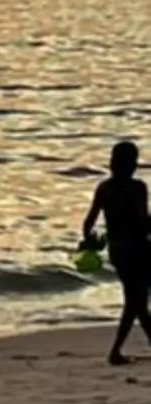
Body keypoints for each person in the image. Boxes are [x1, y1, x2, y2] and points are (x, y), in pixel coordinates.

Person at [83, 138, 151, 367]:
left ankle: (117, 351)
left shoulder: (104, 188)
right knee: (137, 302)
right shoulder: (137, 188)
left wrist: (90, 242)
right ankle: (115, 352)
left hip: (118, 252)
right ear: (132, 164)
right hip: (139, 250)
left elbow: (88, 223)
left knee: (136, 302)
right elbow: (143, 223)